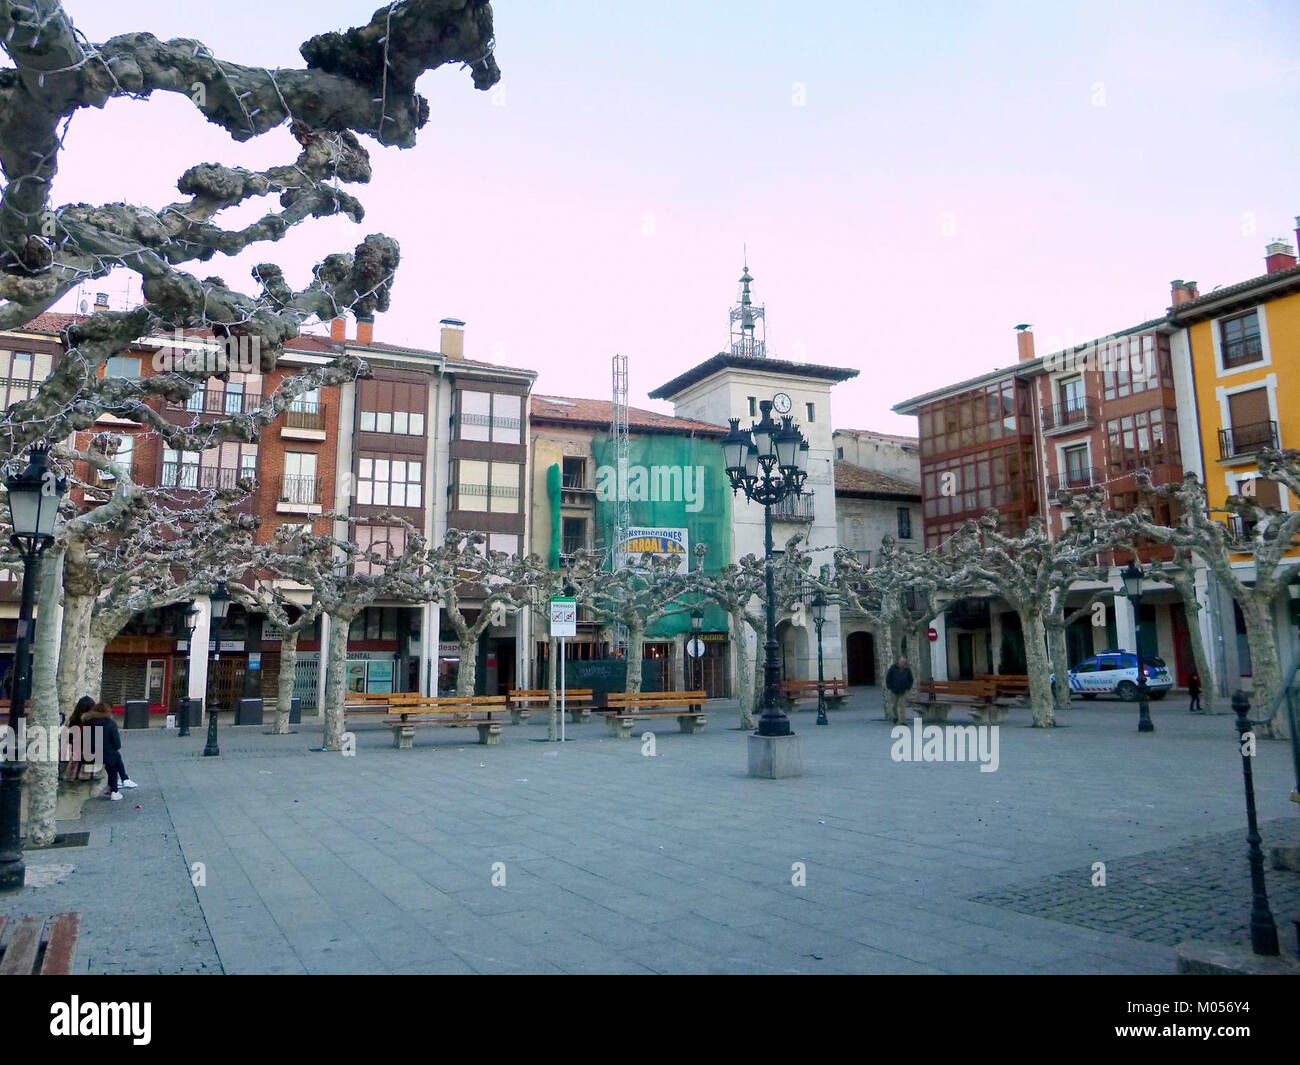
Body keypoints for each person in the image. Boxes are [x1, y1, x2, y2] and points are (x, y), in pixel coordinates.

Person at [82, 701, 137, 800]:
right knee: (114, 760)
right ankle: (116, 789)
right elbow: (117, 744)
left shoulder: (87, 722)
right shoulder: (110, 723)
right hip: (106, 756)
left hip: (89, 754)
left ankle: (123, 780)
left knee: (113, 756)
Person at [884, 654, 914, 723]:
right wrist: (889, 686)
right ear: (898, 660)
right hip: (894, 689)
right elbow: (888, 677)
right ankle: (896, 717)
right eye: (901, 661)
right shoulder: (893, 668)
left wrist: (908, 687)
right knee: (894, 705)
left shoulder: (907, 669)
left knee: (902, 705)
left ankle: (903, 720)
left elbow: (911, 679)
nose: (902, 662)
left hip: (903, 689)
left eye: (904, 661)